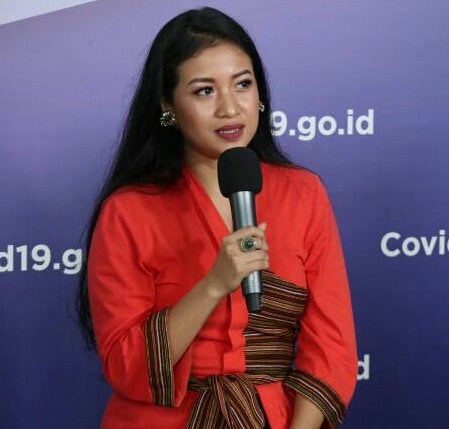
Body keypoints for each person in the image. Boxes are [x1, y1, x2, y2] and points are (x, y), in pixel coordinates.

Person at [76, 7, 357, 429]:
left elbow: (332, 349)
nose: (229, 108)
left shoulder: (304, 194)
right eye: (205, 91)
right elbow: (124, 363)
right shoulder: (128, 210)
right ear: (168, 105)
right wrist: (212, 285)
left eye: (242, 84)